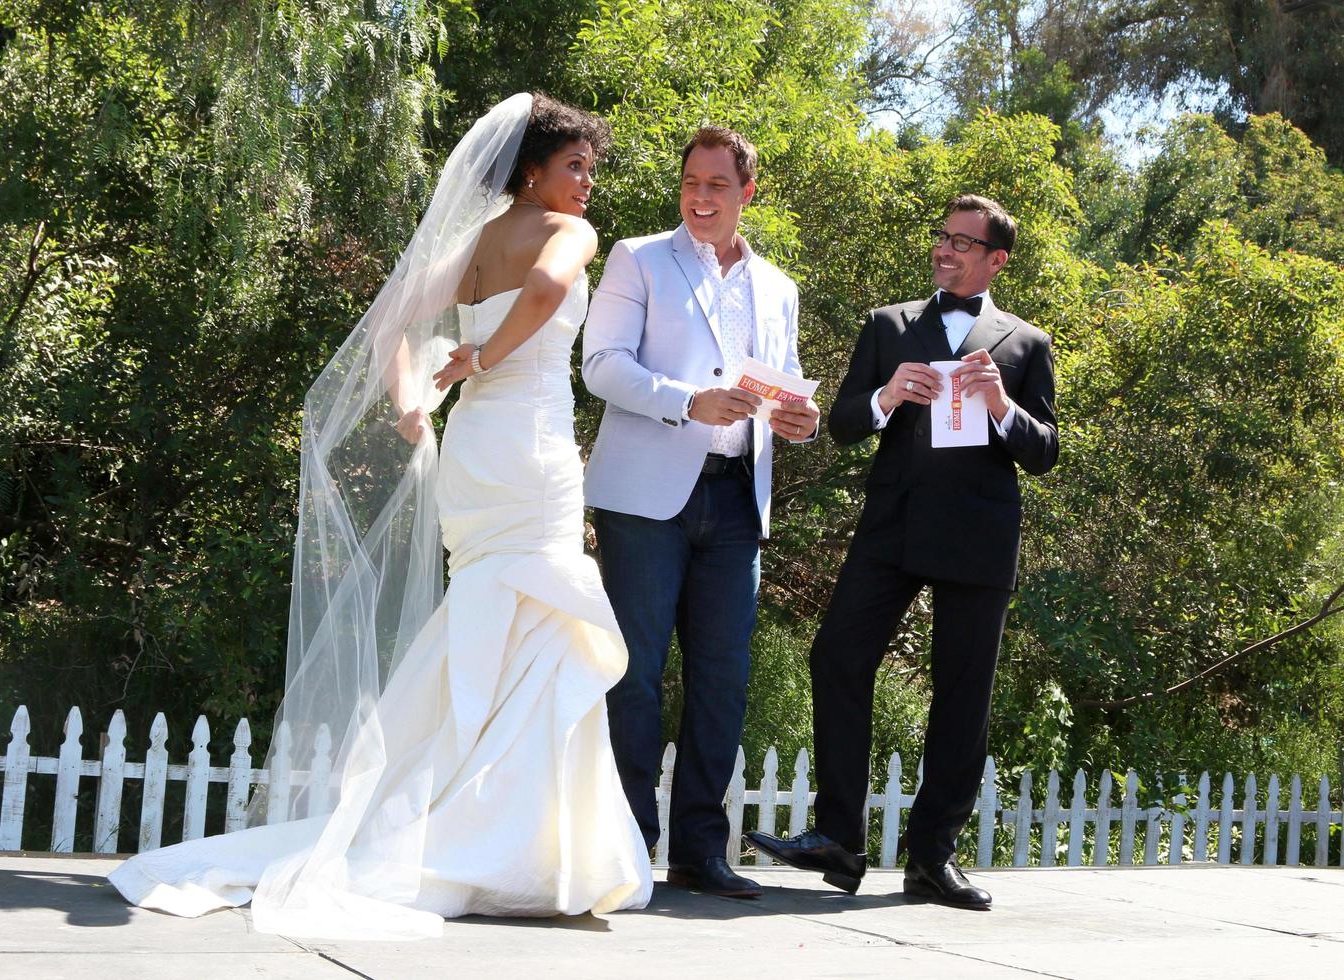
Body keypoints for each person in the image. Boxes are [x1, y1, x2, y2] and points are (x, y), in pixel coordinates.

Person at [108, 93, 651, 940]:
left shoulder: (472, 244)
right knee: (542, 624)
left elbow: (391, 323)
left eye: (590, 168)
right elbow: (546, 293)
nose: (587, 183)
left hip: (474, 450)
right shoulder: (567, 235)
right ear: (532, 170)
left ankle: (467, 824)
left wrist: (413, 407)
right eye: (574, 165)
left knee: (490, 613)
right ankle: (516, 846)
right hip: (532, 448)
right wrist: (483, 354)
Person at [745, 194, 1058, 909]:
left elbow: (1046, 452)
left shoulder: (1025, 342)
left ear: (996, 259)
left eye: (963, 243)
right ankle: (838, 841)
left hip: (979, 537)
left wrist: (1002, 407)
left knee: (963, 695)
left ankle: (932, 860)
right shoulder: (887, 326)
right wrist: (885, 396)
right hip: (892, 527)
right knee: (837, 657)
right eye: (941, 238)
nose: (945, 251)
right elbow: (846, 423)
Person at [581, 127, 819, 900]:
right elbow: (601, 365)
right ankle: (625, 848)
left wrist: (801, 419)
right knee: (636, 676)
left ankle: (699, 853)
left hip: (737, 498)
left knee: (722, 680)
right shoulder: (638, 257)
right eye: (692, 182)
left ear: (748, 193)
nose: (701, 196)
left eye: (718, 184)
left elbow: (786, 386)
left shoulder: (778, 287)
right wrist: (688, 402)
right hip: (645, 500)